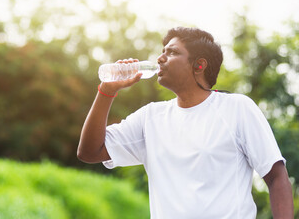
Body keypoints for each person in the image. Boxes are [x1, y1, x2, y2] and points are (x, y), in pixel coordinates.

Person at [77, 27, 294, 218]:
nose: (160, 58)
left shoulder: (236, 108)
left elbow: (276, 176)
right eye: (162, 52)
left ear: (199, 65)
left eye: (172, 52)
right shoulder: (150, 117)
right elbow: (90, 152)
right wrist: (106, 91)